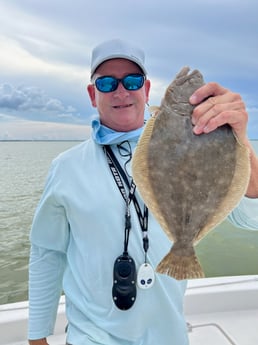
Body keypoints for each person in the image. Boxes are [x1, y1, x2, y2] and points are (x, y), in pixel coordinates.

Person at [28, 38, 258, 345]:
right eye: (107, 83)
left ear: (147, 90)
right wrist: (36, 335)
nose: (121, 91)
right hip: (91, 337)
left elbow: (250, 220)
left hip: (170, 336)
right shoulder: (66, 167)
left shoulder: (197, 144)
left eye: (132, 80)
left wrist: (238, 139)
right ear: (92, 93)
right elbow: (47, 252)